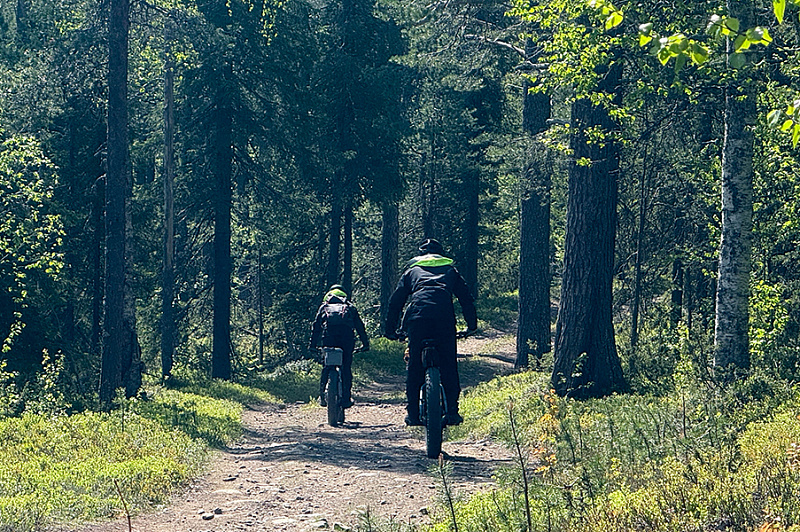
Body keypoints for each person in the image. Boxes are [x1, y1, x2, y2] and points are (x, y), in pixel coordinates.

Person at [385, 239, 477, 426]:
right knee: (449, 364)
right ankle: (452, 412)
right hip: (444, 319)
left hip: (418, 319)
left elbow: (396, 302)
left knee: (414, 366)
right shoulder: (450, 271)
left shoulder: (411, 272)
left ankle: (413, 414)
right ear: (441, 254)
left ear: (420, 255)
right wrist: (471, 325)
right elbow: (466, 299)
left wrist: (390, 330)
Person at [309, 285, 369, 408]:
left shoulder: (324, 307)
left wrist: (312, 345)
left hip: (328, 338)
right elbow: (359, 327)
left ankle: (322, 396)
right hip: (346, 339)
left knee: (327, 366)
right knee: (346, 367)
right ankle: (346, 399)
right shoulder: (350, 307)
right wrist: (365, 344)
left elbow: (316, 328)